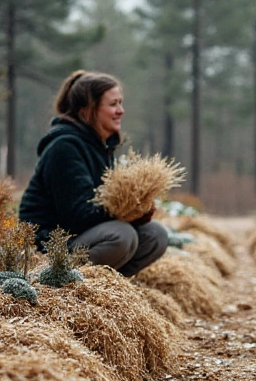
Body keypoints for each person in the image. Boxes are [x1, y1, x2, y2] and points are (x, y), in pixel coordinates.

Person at [18, 71, 168, 277]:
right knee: (122, 236)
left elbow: (98, 208)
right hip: (52, 242)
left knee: (155, 235)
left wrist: (137, 211)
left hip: (83, 233)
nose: (121, 111)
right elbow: (77, 216)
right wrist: (125, 212)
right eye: (113, 104)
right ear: (88, 110)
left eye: (121, 103)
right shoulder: (64, 147)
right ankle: (60, 278)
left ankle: (109, 284)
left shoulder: (101, 146)